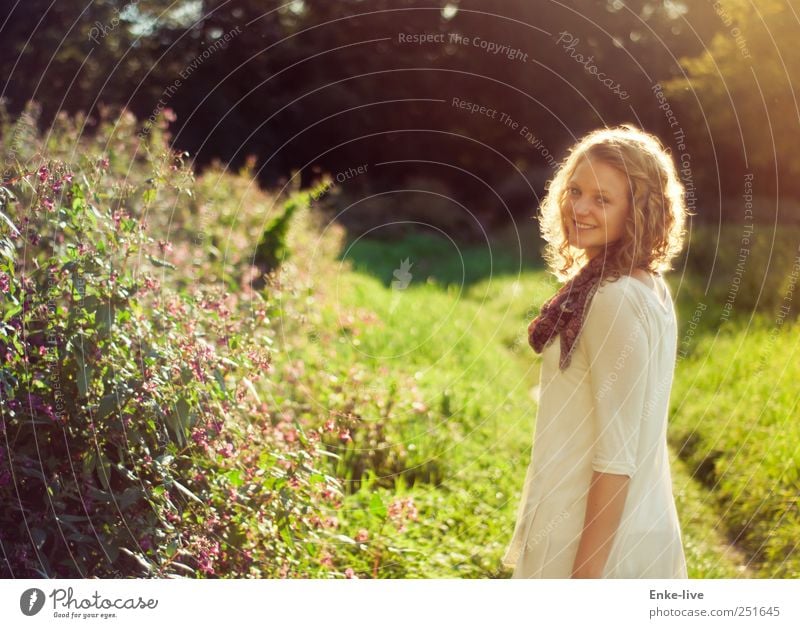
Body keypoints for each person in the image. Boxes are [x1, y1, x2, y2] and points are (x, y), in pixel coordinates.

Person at [502, 124, 693, 578]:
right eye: (575, 191)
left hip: (592, 544)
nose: (579, 208)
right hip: (615, 526)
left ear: (638, 210)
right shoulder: (645, 285)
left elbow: (616, 457)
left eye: (602, 199)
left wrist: (584, 584)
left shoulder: (613, 298)